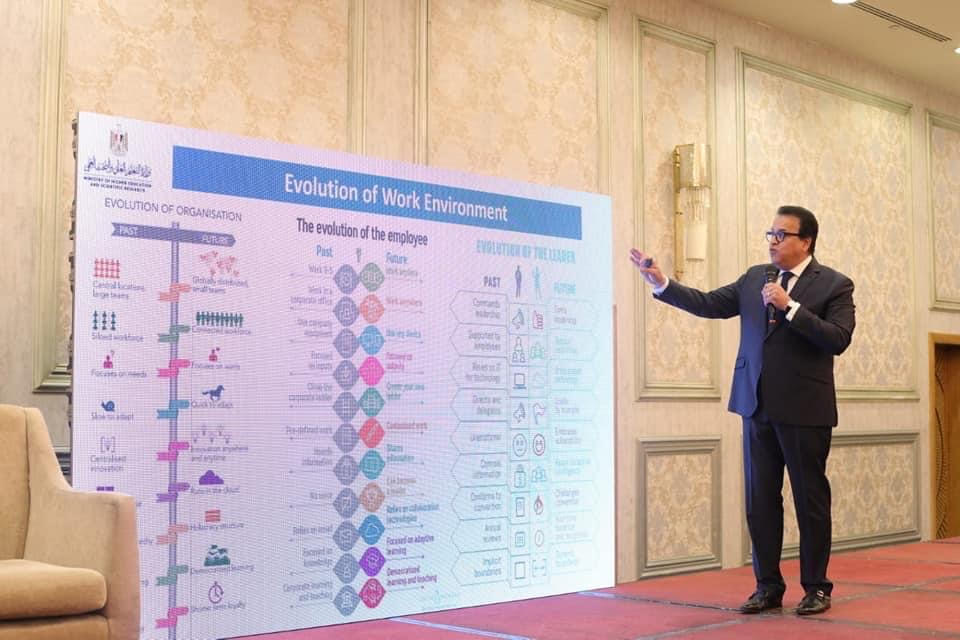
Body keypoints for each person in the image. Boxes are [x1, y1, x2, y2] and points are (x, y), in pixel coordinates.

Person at [630, 205, 855, 616]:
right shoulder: (755, 277)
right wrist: (662, 283)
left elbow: (838, 338)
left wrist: (791, 307)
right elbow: (709, 303)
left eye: (782, 235)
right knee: (759, 500)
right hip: (755, 404)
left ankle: (816, 588)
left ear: (806, 241)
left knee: (810, 501)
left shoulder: (834, 285)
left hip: (805, 409)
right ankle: (768, 586)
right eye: (770, 233)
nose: (772, 241)